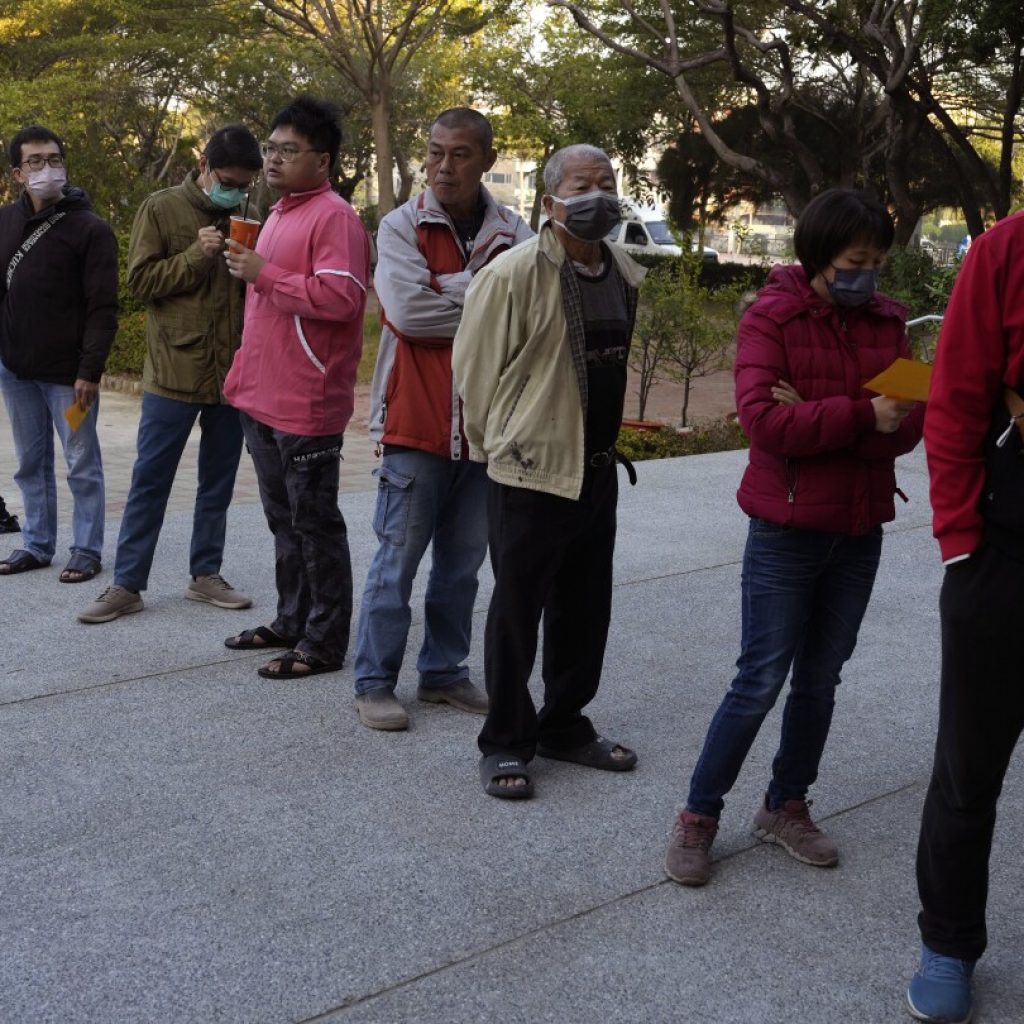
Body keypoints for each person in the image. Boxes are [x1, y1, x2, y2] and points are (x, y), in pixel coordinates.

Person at [663, 188, 924, 884]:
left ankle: (786, 804)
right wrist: (863, 416)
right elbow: (765, 427)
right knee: (759, 680)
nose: (865, 273)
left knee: (820, 680)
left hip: (859, 526)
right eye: (852, 260)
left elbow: (912, 425)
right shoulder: (770, 318)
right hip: (785, 528)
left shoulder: (889, 321)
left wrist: (826, 416)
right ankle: (698, 815)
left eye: (875, 261)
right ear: (817, 256)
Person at [453, 143, 645, 799]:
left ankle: (565, 724)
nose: (600, 194)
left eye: (608, 182)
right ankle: (506, 741)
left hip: (595, 471)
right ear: (550, 202)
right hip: (530, 472)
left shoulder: (622, 267)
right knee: (516, 612)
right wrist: (499, 446)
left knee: (586, 610)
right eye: (584, 184)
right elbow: (474, 376)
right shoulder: (511, 275)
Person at [353, 108, 531, 731]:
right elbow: (406, 313)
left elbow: (529, 326)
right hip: (414, 423)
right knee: (395, 563)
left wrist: (449, 287)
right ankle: (374, 679)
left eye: (458, 154)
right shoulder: (400, 225)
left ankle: (443, 672)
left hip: (486, 433)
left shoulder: (515, 232)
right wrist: (485, 298)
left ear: (486, 158)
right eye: (434, 152)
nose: (442, 166)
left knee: (461, 566)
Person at [905, 211, 1024, 1023]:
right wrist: (960, 542)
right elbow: (952, 401)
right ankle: (948, 942)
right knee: (968, 768)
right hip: (1007, 558)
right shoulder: (1008, 249)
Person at [78, 125, 263, 625]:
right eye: (228, 180)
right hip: (172, 372)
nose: (236, 191)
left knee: (218, 483)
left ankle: (206, 575)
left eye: (244, 184)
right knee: (150, 481)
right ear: (204, 166)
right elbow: (139, 284)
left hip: (231, 374)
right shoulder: (161, 207)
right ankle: (127, 584)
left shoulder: (251, 213)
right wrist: (194, 256)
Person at [220, 96, 371, 679]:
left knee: (315, 525)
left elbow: (342, 299)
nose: (274, 160)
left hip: (306, 403)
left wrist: (265, 272)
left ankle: (325, 642)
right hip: (262, 396)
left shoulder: (335, 217)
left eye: (289, 150)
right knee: (283, 521)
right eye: (271, 149)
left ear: (323, 160)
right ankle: (291, 620)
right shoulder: (281, 211)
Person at [0, 125, 118, 582]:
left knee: (81, 462)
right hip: (16, 372)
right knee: (30, 463)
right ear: (16, 173)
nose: (46, 169)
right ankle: (36, 542)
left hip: (70, 378)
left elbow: (103, 307)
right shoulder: (5, 222)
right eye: (35, 161)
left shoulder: (90, 228)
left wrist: (90, 370)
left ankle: (86, 549)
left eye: (53, 159)